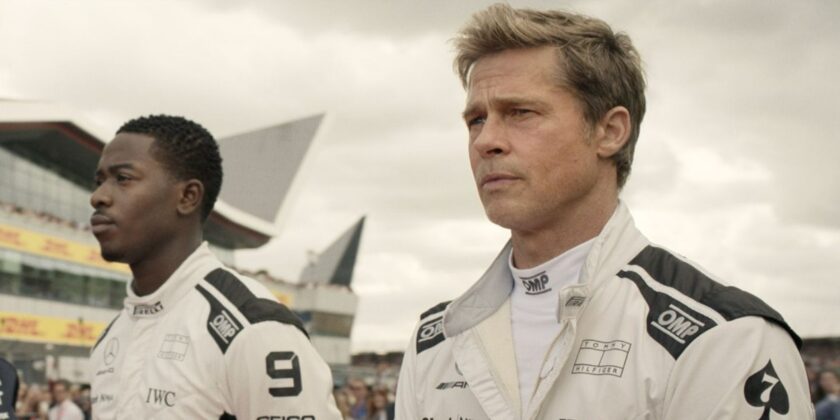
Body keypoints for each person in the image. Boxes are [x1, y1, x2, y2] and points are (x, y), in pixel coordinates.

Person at [395, 4, 813, 419]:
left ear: (610, 132)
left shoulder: (725, 338)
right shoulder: (435, 340)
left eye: (520, 113)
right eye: (475, 120)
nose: (486, 140)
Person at [87, 115, 340, 418]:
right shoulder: (110, 340)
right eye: (99, 181)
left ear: (188, 197)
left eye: (123, 178)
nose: (98, 197)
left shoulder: (254, 328)